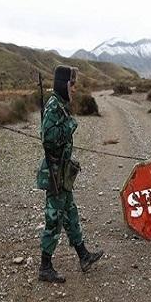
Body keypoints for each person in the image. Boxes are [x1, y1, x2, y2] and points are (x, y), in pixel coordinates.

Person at [36, 65, 104, 282]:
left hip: (63, 172)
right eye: (72, 84)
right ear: (63, 84)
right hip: (55, 173)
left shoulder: (61, 104)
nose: (74, 88)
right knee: (54, 220)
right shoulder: (54, 106)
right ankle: (45, 267)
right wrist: (71, 126)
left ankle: (83, 256)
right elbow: (48, 137)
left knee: (70, 214)